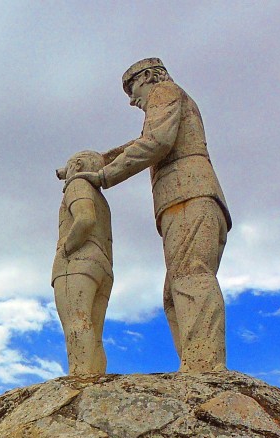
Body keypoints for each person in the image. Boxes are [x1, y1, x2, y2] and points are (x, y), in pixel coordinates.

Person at [72, 58, 230, 372]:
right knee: (175, 293)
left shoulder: (164, 90)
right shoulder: (172, 98)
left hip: (188, 194)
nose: (132, 100)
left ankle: (205, 368)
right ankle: (196, 363)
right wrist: (97, 160)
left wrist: (105, 176)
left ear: (148, 77)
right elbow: (144, 141)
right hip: (187, 198)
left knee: (190, 279)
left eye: (133, 89)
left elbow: (156, 141)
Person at [53, 150, 113, 375]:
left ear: (77, 165)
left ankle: (81, 376)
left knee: (76, 321)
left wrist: (66, 249)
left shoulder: (77, 184)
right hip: (103, 263)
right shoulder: (101, 198)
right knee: (94, 331)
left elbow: (85, 219)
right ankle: (95, 377)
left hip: (79, 261)